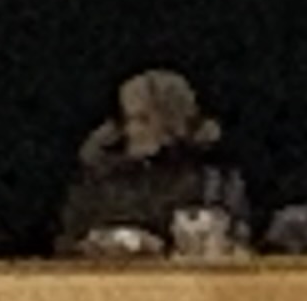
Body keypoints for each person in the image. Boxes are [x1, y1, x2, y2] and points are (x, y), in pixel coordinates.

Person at [55, 66, 251, 255]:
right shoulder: (101, 177)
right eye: (128, 119)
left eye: (143, 119)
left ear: (172, 121)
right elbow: (67, 242)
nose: (132, 131)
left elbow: (239, 241)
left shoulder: (213, 177)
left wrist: (166, 247)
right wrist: (96, 244)